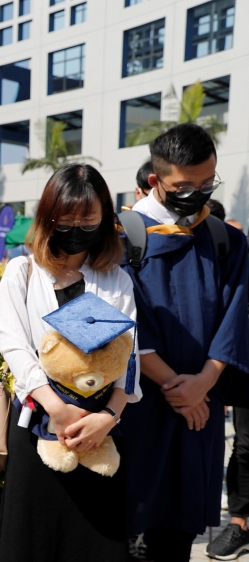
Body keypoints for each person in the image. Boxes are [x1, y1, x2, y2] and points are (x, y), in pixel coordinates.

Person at [0, 164, 141, 562]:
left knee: (96, 541)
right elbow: (14, 344)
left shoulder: (115, 278)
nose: (76, 228)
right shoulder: (22, 272)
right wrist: (56, 407)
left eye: (88, 219)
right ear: (47, 217)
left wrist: (108, 416)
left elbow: (129, 356)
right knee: (33, 538)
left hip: (100, 431)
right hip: (38, 425)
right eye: (66, 219)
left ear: (105, 218)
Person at [122, 124, 249, 562]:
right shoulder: (123, 238)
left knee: (179, 529)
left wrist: (206, 380)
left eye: (207, 183)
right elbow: (125, 320)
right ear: (155, 181)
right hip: (139, 406)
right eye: (183, 185)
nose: (196, 193)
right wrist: (182, 387)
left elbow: (236, 317)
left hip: (202, 408)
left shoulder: (225, 240)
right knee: (130, 526)